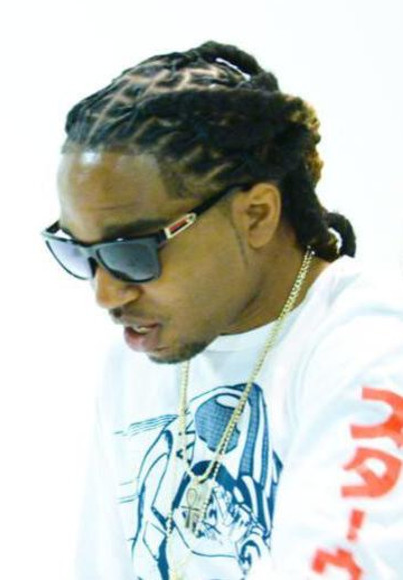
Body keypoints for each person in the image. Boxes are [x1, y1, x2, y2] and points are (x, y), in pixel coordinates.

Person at [41, 42, 403, 579]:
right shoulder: (136, 360)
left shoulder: (371, 353)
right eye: (79, 253)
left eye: (131, 253)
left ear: (256, 214)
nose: (106, 294)